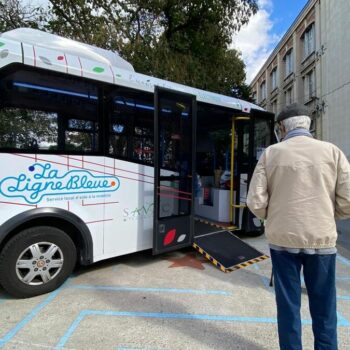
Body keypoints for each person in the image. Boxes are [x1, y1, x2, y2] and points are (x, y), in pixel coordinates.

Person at [247, 103, 350, 350]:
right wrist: (327, 215)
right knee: (325, 306)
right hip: (322, 239)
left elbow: (255, 201)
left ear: (282, 127)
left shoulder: (271, 153)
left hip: (283, 241)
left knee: (288, 306)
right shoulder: (332, 152)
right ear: (309, 124)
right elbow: (348, 200)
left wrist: (273, 217)